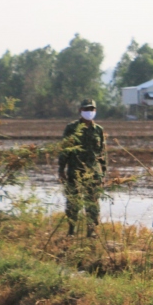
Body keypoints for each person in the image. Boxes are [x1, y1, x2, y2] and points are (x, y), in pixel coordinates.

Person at [58, 98, 106, 237]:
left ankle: (91, 232)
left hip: (93, 173)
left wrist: (103, 173)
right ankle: (71, 231)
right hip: (75, 171)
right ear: (80, 111)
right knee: (73, 202)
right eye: (86, 109)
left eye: (91, 109)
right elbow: (65, 149)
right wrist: (61, 169)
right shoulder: (71, 128)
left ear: (95, 111)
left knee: (92, 204)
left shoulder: (99, 130)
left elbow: (102, 153)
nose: (89, 112)